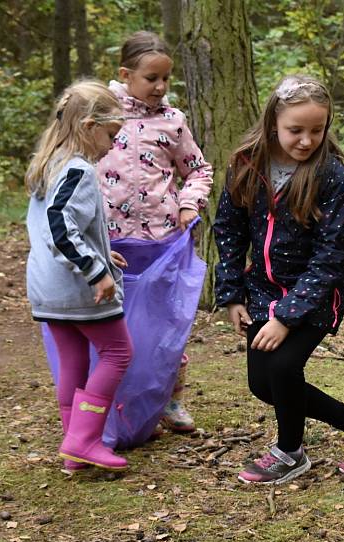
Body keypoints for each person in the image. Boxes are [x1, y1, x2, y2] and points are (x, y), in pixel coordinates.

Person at [214, 75, 344, 485]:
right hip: (259, 290)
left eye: (317, 130)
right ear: (273, 121)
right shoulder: (247, 163)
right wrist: (232, 294)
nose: (307, 140)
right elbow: (229, 228)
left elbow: (333, 254)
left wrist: (287, 316)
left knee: (284, 370)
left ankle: (289, 452)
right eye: (296, 130)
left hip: (314, 294)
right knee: (262, 384)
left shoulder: (333, 176)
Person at [97, 31, 213, 435]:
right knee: (116, 333)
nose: (160, 87)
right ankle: (116, 406)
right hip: (109, 246)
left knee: (166, 330)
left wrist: (187, 204)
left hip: (163, 244)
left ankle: (169, 402)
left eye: (166, 78)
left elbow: (198, 169)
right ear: (125, 74)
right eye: (151, 78)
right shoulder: (101, 114)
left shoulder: (172, 120)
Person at [25, 80, 133, 471]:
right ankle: (83, 439)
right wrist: (95, 270)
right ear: (89, 127)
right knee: (118, 353)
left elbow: (59, 226)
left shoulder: (47, 162)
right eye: (111, 134)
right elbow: (60, 225)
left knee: (72, 359)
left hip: (46, 287)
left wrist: (104, 254)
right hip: (77, 288)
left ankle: (74, 449)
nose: (112, 145)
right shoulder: (78, 169)